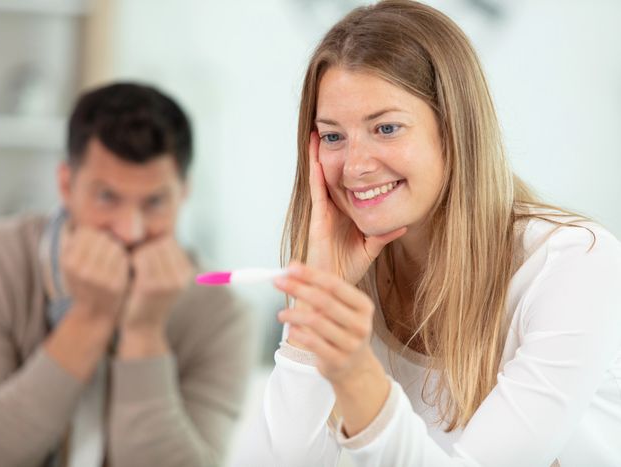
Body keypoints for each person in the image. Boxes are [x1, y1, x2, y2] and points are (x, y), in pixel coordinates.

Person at [234, 1, 621, 466]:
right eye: (333, 136)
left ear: (455, 130)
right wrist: (313, 310)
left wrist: (358, 377)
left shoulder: (576, 265)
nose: (355, 167)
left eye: (386, 128)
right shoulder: (352, 271)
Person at [0, 82, 255, 467]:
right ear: (66, 185)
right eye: (106, 197)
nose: (130, 230)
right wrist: (90, 317)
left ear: (183, 193)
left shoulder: (222, 313)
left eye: (154, 202)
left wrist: (145, 331)